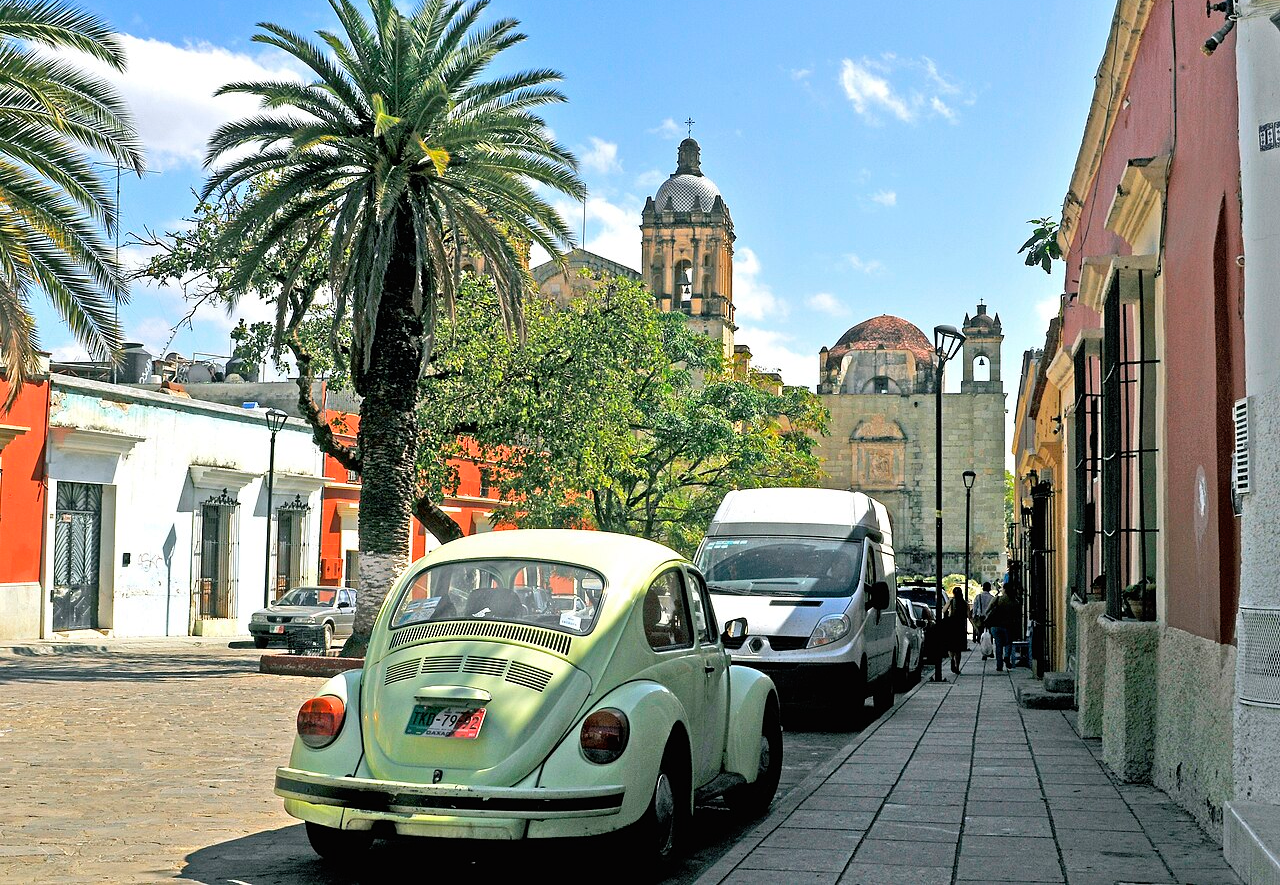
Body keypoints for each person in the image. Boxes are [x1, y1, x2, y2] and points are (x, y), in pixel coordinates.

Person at [988, 582, 1021, 671]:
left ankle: (999, 665)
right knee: (1008, 642)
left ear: (1004, 589)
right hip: (1008, 626)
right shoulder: (1014, 601)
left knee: (998, 645)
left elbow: (988, 610)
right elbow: (1018, 615)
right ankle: (1007, 656)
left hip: (995, 625)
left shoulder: (997, 599)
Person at [941, 586, 968, 674]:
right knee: (958, 649)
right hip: (960, 626)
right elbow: (969, 616)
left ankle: (952, 659)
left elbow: (943, 610)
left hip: (951, 625)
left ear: (953, 593)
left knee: (950, 646)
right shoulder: (964, 603)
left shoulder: (951, 601)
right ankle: (957, 666)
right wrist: (975, 627)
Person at [971, 581, 995, 659]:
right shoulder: (992, 597)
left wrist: (974, 616)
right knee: (990, 635)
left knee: (982, 635)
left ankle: (984, 652)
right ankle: (990, 651)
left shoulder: (978, 597)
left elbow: (975, 607)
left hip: (980, 618)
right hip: (990, 618)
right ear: (989, 588)